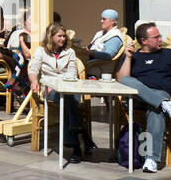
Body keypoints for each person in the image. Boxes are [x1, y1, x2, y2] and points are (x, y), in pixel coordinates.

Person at [118, 22, 171, 172]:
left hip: (160, 92)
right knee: (126, 80)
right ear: (144, 41)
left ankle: (151, 159)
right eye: (156, 37)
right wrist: (128, 57)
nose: (160, 39)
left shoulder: (169, 54)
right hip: (137, 97)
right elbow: (122, 80)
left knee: (156, 111)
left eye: (159, 36)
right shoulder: (133, 56)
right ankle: (164, 104)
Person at [28, 22, 89, 163]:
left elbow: (72, 73)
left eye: (64, 36)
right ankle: (80, 139)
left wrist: (63, 84)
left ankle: (74, 142)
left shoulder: (70, 52)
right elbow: (33, 70)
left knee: (68, 100)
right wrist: (34, 81)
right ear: (51, 37)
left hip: (68, 88)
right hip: (50, 89)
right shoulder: (41, 51)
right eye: (59, 36)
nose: (63, 39)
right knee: (68, 101)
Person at [84, 9, 125, 74]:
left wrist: (90, 53)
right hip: (90, 60)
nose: (101, 21)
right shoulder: (100, 33)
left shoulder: (114, 37)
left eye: (104, 19)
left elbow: (108, 55)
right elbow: (92, 46)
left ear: (113, 21)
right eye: (101, 19)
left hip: (99, 66)